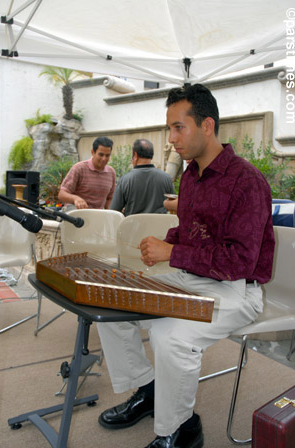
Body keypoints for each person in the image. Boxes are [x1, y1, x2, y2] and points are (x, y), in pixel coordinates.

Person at [96, 84, 275, 448]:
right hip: (194, 277)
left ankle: (180, 431)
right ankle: (150, 390)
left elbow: (239, 261)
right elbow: (193, 231)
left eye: (179, 127)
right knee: (110, 299)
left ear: (207, 126)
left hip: (237, 291)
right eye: (169, 128)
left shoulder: (247, 181)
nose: (171, 138)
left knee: (170, 337)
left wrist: (170, 253)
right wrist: (170, 242)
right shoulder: (191, 176)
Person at [110, 138, 175, 216]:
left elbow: (114, 211)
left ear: (136, 155)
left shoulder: (125, 180)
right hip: (159, 227)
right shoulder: (166, 178)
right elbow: (173, 206)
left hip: (133, 227)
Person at [58, 136, 115, 209]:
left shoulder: (111, 173)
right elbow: (62, 194)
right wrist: (76, 199)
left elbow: (110, 198)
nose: (104, 159)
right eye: (101, 155)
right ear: (92, 152)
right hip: (77, 216)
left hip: (99, 217)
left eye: (107, 155)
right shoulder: (79, 168)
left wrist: (110, 214)